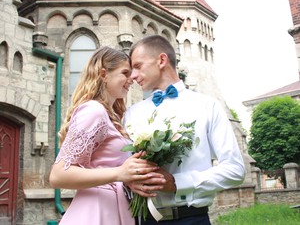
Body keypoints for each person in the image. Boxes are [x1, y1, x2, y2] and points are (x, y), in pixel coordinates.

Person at [124, 35, 246, 225]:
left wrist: (177, 183)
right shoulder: (132, 113)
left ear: (162, 60)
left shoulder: (207, 106)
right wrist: (128, 179)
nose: (132, 75)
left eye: (138, 66)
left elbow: (235, 170)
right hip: (142, 219)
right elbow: (122, 168)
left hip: (191, 219)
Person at [49, 46, 164, 225]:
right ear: (103, 74)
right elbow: (58, 175)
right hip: (95, 212)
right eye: (125, 73)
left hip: (114, 209)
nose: (131, 79)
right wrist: (120, 173)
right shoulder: (93, 110)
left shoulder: (111, 116)